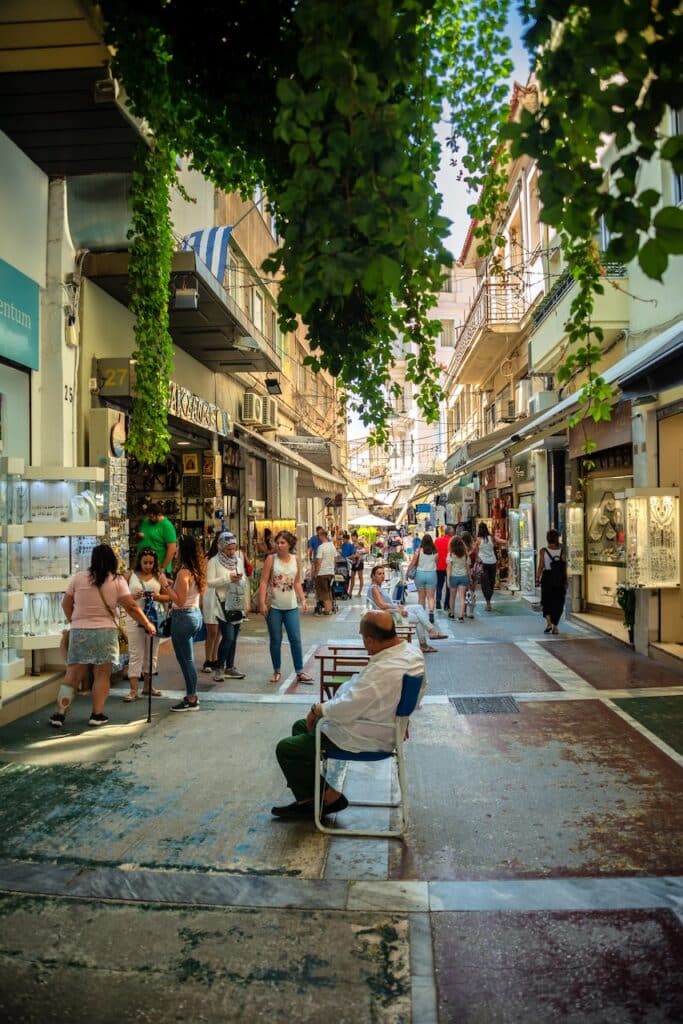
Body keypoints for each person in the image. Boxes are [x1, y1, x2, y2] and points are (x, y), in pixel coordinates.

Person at [271, 610, 425, 819]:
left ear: (371, 640)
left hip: (364, 734)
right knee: (301, 728)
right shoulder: (411, 652)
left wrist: (318, 709)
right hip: (379, 723)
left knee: (287, 748)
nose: (363, 643)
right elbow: (420, 690)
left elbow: (347, 709)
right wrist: (402, 718)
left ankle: (327, 797)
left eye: (362, 637)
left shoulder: (383, 671)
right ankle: (313, 798)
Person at [49, 543, 157, 728]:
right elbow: (130, 606)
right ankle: (96, 714)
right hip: (105, 632)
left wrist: (74, 621)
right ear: (112, 561)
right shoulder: (116, 580)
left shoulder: (79, 578)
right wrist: (147, 623)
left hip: (80, 630)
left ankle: (59, 714)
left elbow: (66, 604)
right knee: (102, 674)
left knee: (73, 673)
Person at [258, 530, 313, 684]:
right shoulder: (271, 559)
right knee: (275, 640)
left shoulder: (295, 559)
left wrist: (303, 599)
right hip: (274, 607)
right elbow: (263, 581)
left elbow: (296, 582)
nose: (279, 545)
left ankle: (300, 671)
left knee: (295, 639)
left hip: (291, 606)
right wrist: (262, 602)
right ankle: (276, 670)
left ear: (289, 545)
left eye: (283, 542)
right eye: (278, 542)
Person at [160, 535, 207, 711]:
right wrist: (173, 585)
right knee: (188, 658)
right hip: (195, 614)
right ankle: (191, 694)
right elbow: (188, 593)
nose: (176, 550)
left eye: (179, 547)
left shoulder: (183, 572)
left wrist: (165, 585)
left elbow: (179, 601)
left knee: (186, 659)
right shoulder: (197, 570)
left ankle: (192, 697)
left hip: (183, 616)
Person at [122, 547, 171, 701]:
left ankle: (148, 687)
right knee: (135, 653)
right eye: (145, 562)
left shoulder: (159, 576)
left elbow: (169, 597)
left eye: (151, 562)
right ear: (139, 561)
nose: (148, 566)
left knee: (152, 652)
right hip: (134, 618)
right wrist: (132, 596)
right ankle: (133, 690)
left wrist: (156, 596)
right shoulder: (130, 575)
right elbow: (120, 596)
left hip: (154, 619)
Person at [366, 565, 447, 653]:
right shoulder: (374, 588)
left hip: (393, 610)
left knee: (419, 607)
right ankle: (425, 642)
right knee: (419, 618)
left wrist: (397, 606)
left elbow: (384, 604)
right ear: (373, 576)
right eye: (379, 574)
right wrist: (397, 608)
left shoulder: (377, 587)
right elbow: (381, 605)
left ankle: (431, 631)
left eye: (383, 573)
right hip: (391, 615)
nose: (382, 576)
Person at [206, 532, 247, 682]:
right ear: (221, 547)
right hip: (222, 604)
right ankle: (219, 667)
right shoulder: (213, 562)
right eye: (229, 549)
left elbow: (244, 580)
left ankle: (230, 667)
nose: (232, 552)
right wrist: (227, 578)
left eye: (234, 549)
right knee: (228, 637)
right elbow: (210, 582)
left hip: (236, 601)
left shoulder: (238, 560)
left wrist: (240, 582)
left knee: (234, 637)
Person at [536, 528, 568, 635]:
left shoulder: (543, 551)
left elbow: (541, 566)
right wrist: (566, 581)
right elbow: (564, 568)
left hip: (547, 578)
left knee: (547, 601)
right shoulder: (562, 552)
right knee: (558, 602)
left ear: (548, 539)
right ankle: (555, 627)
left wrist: (537, 578)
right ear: (556, 539)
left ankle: (549, 623)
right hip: (559, 579)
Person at [200, 533, 222, 674]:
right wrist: (200, 599)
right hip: (209, 596)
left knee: (219, 630)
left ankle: (214, 658)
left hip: (223, 597)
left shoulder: (228, 559)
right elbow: (202, 579)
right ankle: (208, 659)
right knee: (212, 630)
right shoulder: (208, 559)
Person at [135, 502, 177, 573]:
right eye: (148, 516)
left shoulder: (167, 526)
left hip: (158, 567)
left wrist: (163, 568)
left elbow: (172, 549)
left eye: (151, 517)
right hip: (143, 566)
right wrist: (138, 536)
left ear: (159, 515)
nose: (149, 519)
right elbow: (138, 540)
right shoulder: (146, 522)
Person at [407, 532, 438, 623]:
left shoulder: (418, 551)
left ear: (422, 542)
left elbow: (413, 563)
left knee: (421, 597)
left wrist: (407, 572)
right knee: (431, 597)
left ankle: (421, 615)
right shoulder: (435, 552)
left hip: (420, 575)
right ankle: (431, 613)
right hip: (431, 574)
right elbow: (436, 563)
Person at [447, 536, 471, 622]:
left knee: (452, 597)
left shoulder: (450, 554)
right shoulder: (465, 554)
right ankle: (461, 616)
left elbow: (449, 568)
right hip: (463, 577)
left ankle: (452, 613)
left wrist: (448, 580)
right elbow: (468, 567)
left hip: (453, 577)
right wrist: (470, 578)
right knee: (462, 597)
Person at [475, 522, 498, 612]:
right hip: (493, 562)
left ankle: (488, 602)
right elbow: (497, 543)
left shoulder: (478, 540)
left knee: (485, 584)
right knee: (491, 582)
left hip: (483, 563)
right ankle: (489, 601)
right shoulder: (491, 538)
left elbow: (476, 552)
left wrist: (477, 558)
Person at [314, 531, 337, 614]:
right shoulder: (332, 546)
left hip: (322, 572)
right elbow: (335, 559)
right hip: (330, 572)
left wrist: (316, 573)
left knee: (323, 592)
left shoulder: (321, 547)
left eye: (318, 535)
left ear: (321, 536)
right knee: (329, 590)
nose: (318, 537)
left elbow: (319, 561)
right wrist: (333, 569)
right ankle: (329, 608)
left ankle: (327, 610)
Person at [434, 525, 454, 611]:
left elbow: (435, 553)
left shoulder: (437, 540)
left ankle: (438, 600)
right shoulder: (452, 541)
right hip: (449, 566)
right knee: (449, 585)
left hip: (439, 566)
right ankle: (447, 604)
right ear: (451, 533)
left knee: (439, 584)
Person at [348, 531, 367, 597]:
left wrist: (358, 555)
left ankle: (359, 593)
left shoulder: (359, 544)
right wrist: (351, 557)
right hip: (353, 563)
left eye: (353, 537)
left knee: (360, 577)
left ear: (356, 537)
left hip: (360, 562)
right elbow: (351, 554)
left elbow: (365, 551)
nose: (352, 538)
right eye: (351, 537)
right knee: (352, 577)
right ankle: (350, 592)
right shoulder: (351, 545)